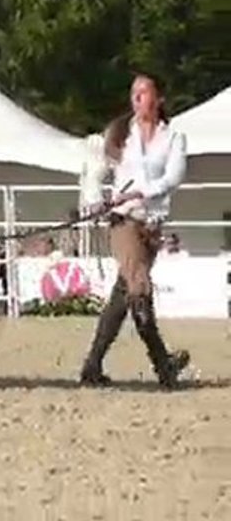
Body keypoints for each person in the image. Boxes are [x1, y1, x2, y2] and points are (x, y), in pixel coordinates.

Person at [78, 72, 190, 389]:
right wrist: (98, 202)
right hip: (123, 221)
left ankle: (92, 366)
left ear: (159, 99)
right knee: (138, 286)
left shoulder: (173, 139)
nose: (136, 98)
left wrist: (141, 191)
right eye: (134, 93)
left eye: (143, 92)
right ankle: (162, 363)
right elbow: (94, 175)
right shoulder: (119, 135)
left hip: (150, 226)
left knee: (123, 295)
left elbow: (173, 178)